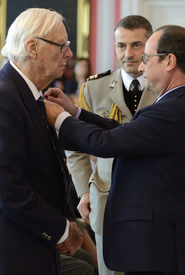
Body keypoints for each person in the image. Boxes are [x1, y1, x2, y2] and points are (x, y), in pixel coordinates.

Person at [44, 24, 185, 275]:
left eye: (146, 58)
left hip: (158, 245)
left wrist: (60, 119)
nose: (141, 67)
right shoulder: (181, 102)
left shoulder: (173, 110)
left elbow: (106, 143)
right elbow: (122, 132)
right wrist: (74, 111)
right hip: (159, 239)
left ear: (169, 61)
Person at [0, 8, 83, 275]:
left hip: (29, 247)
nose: (69, 53)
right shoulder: (0, 100)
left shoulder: (23, 93)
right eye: (62, 44)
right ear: (32, 47)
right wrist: (63, 231)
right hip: (12, 255)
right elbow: (13, 191)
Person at [66, 15, 155, 275]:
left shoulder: (162, 86)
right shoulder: (95, 88)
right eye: (121, 46)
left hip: (152, 198)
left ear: (149, 45)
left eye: (137, 45)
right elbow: (74, 144)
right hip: (106, 198)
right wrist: (83, 190)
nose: (128, 53)